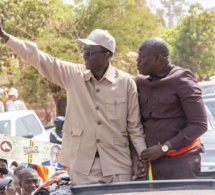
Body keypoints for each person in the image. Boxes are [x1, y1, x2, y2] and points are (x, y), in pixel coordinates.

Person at [0, 21, 147, 185]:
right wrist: (5, 36)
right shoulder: (73, 75)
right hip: (82, 168)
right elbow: (39, 58)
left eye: (90, 52)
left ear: (106, 55)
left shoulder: (126, 82)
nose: (84, 55)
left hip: (117, 166)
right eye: (84, 50)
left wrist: (142, 158)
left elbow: (135, 127)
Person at [135, 37, 207, 179]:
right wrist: (136, 157)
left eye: (142, 57)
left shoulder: (182, 79)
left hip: (181, 161)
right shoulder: (140, 83)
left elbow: (199, 125)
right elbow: (136, 124)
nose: (137, 60)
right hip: (151, 164)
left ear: (157, 58)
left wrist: (164, 148)